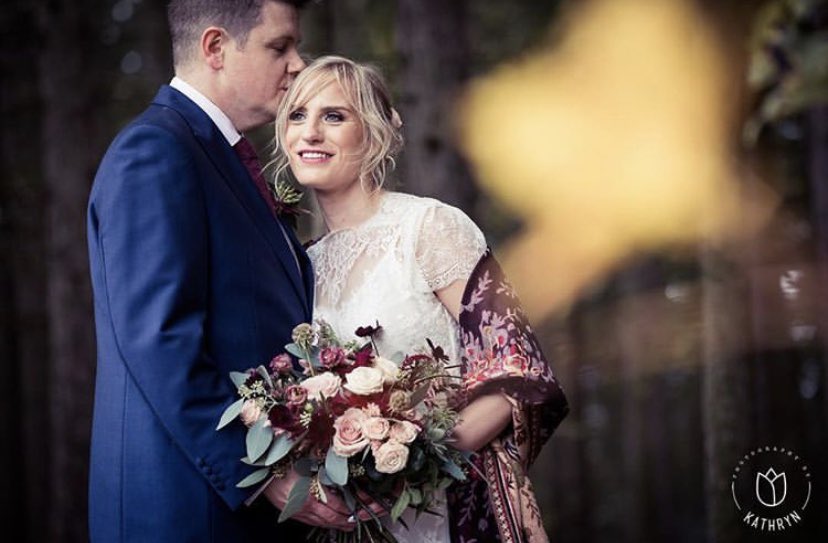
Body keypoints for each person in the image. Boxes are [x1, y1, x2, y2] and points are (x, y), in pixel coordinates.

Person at [86, 2, 363, 541]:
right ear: (215, 48)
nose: (297, 64)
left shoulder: (213, 153)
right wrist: (257, 469)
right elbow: (158, 338)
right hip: (185, 508)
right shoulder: (156, 151)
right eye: (278, 47)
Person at [271, 55, 569, 542]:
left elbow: (520, 369)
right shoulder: (302, 263)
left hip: (452, 509)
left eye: (334, 116)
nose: (310, 133)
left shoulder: (429, 228)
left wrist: (417, 455)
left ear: (373, 131)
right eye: (298, 115)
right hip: (355, 523)